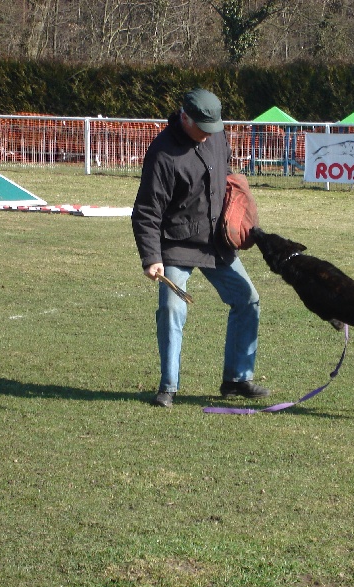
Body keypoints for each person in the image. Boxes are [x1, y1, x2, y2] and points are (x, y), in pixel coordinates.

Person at [132, 88, 270, 408]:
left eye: (214, 128)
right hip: (177, 245)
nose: (210, 136)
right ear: (185, 118)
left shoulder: (217, 136)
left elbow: (227, 176)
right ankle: (168, 387)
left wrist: (239, 207)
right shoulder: (162, 154)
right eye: (203, 128)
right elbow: (147, 211)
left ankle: (237, 379)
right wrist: (151, 257)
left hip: (217, 242)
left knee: (247, 298)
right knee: (172, 308)